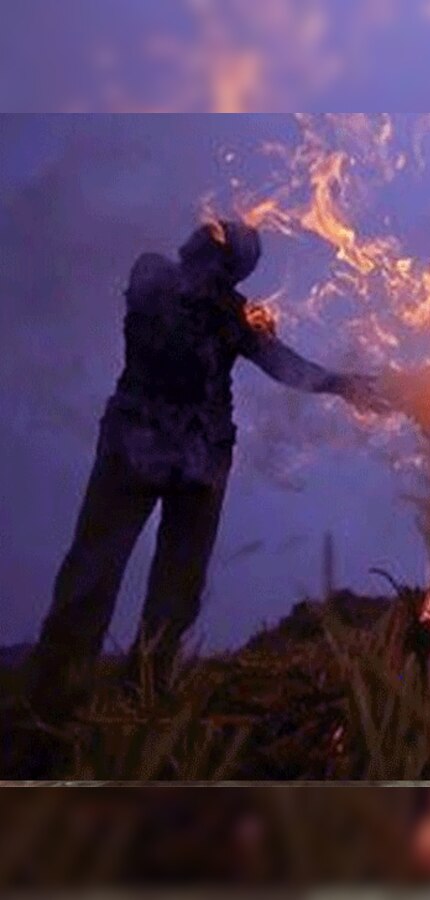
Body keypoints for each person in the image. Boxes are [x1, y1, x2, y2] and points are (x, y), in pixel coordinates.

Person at [28, 219, 388, 714]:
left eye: (219, 235)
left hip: (199, 460)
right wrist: (239, 315)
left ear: (230, 265)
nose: (205, 229)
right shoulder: (156, 274)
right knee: (91, 573)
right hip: (134, 445)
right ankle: (50, 703)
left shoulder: (233, 313)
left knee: (178, 593)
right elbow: (160, 304)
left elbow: (289, 369)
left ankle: (143, 698)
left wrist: (346, 386)